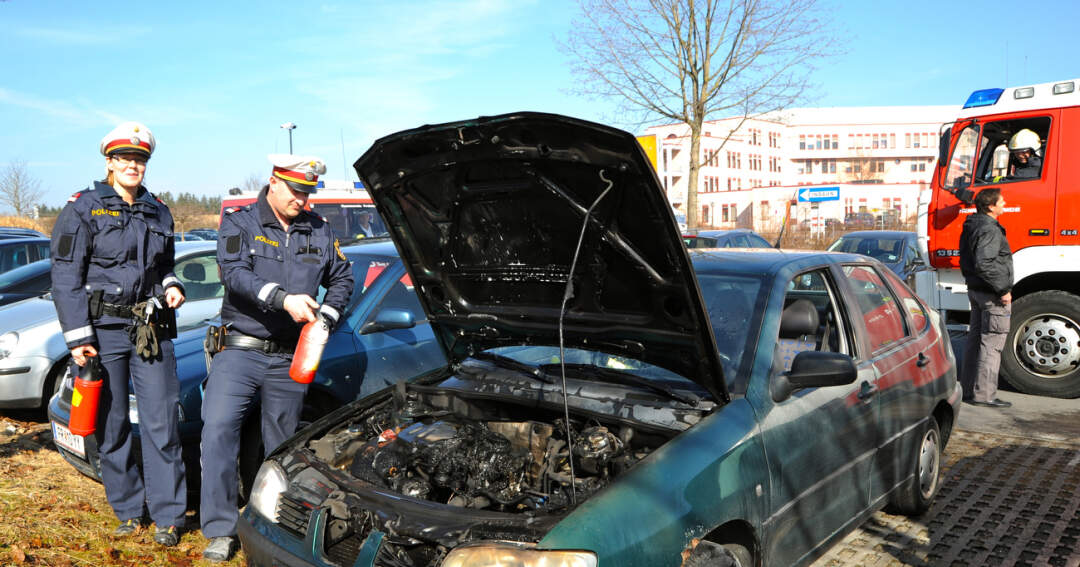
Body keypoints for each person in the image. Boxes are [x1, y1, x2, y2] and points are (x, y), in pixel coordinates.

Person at [199, 154, 354, 561]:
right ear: (273, 182)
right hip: (241, 350)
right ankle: (219, 528)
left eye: (307, 192)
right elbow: (233, 273)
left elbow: (342, 279)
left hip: (291, 356)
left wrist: (327, 319)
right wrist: (282, 299)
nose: (301, 200)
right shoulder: (240, 222)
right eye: (295, 191)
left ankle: (272, 525)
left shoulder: (318, 230)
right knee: (217, 431)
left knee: (283, 446)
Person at [50, 122, 187, 546]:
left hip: (150, 327)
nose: (133, 165)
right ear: (109, 162)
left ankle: (168, 516)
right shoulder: (83, 207)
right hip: (103, 331)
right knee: (112, 426)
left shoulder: (158, 210)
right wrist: (77, 337)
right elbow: (66, 275)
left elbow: (163, 266)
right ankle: (128, 509)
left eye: (140, 159)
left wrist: (172, 285)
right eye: (125, 158)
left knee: (162, 423)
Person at [959, 187, 1013, 408]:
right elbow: (985, 263)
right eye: (1001, 201)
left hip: (977, 290)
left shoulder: (973, 225)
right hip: (992, 294)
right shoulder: (989, 229)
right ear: (991, 206)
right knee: (992, 344)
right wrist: (1002, 290)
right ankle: (985, 395)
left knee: (975, 342)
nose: (1004, 203)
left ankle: (968, 390)